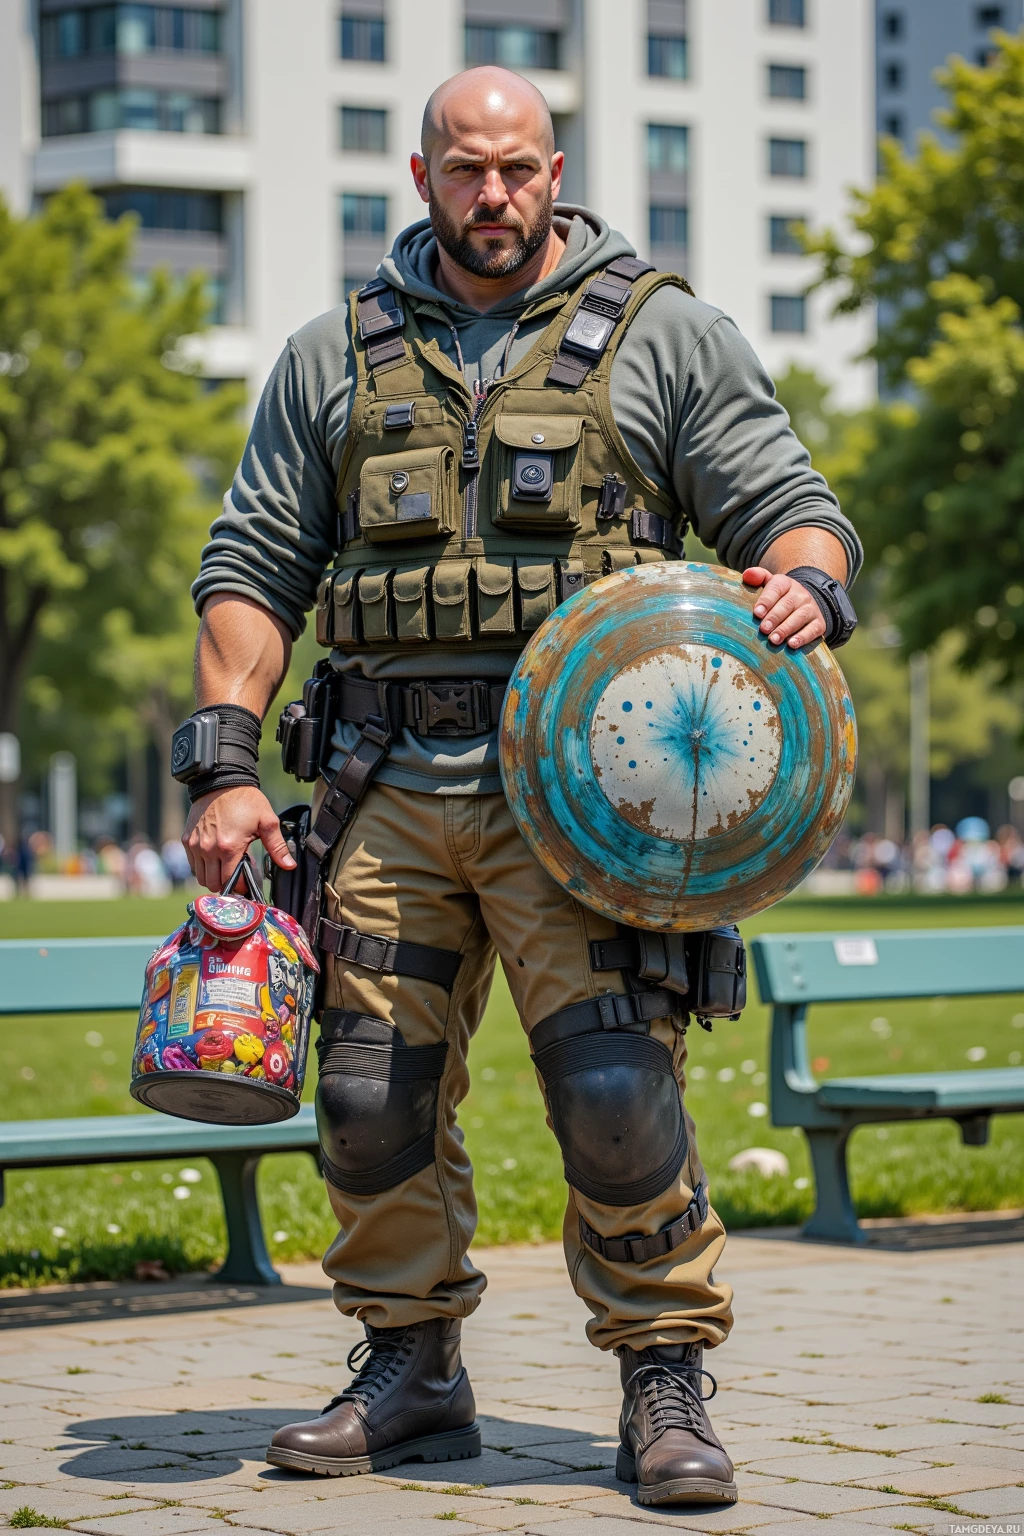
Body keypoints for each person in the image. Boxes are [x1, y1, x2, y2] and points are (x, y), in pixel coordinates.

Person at [179, 68, 861, 1508]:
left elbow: (791, 507)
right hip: (382, 783)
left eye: (518, 170)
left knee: (619, 1095)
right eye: (465, 171)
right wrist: (228, 761)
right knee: (367, 1095)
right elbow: (252, 565)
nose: (494, 196)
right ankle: (410, 1367)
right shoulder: (331, 357)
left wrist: (805, 584)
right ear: (420, 179)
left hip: (593, 804)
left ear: (557, 171)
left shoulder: (665, 333)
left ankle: (663, 1381)